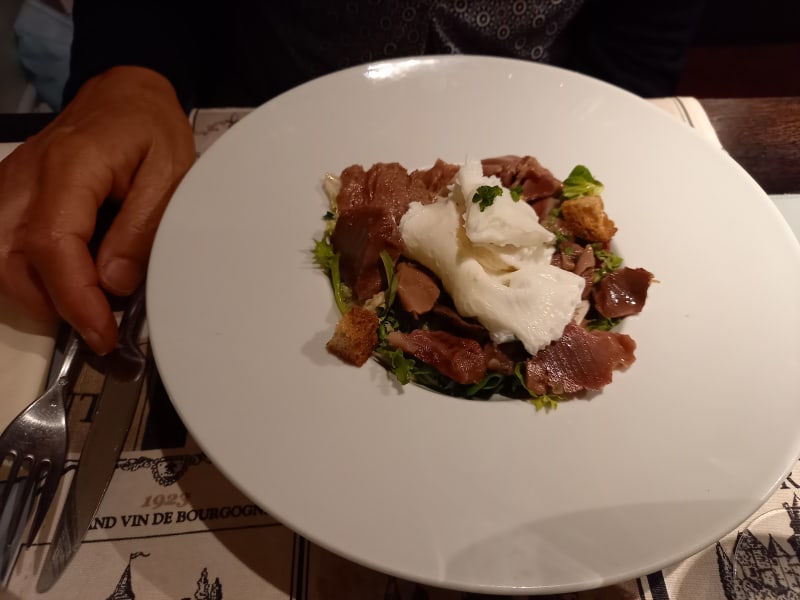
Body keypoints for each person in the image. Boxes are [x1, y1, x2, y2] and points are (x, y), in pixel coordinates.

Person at [0, 0, 706, 355]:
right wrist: (131, 69)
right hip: (271, 113)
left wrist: (615, 108)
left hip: (552, 97)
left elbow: (640, 45)